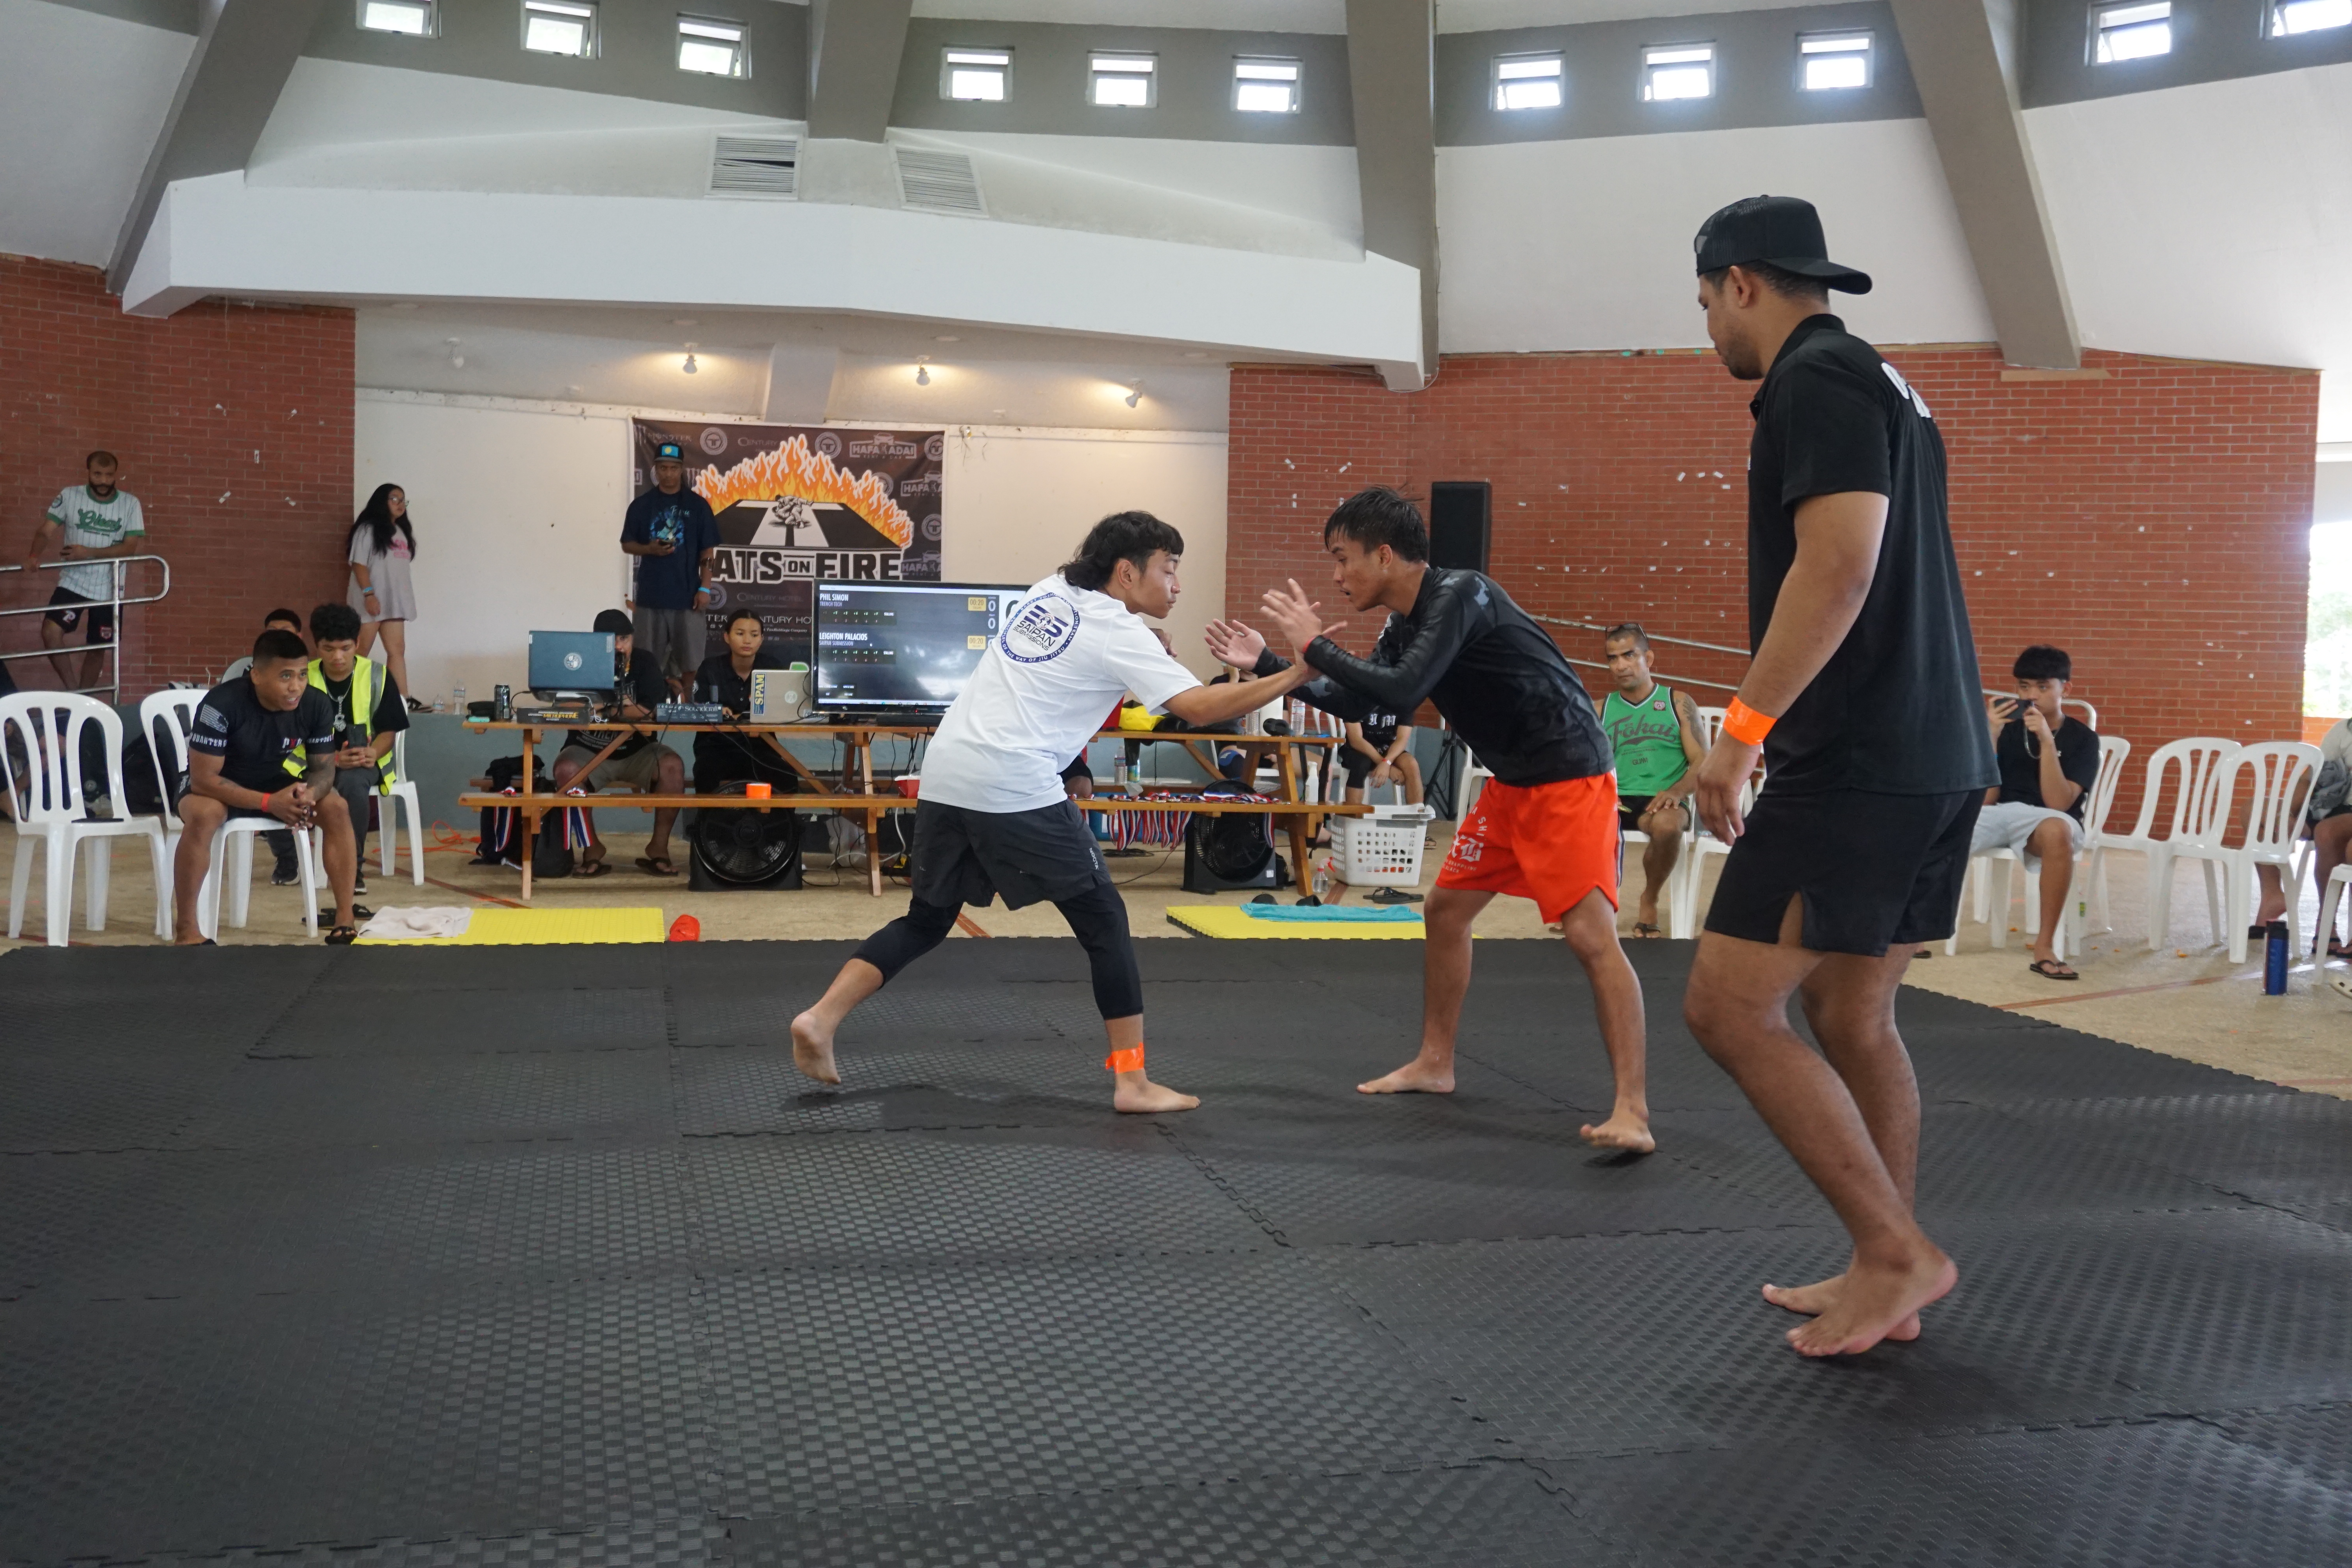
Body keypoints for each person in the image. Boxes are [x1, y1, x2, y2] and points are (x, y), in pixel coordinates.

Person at [1675, 195, 1996, 1357]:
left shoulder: (1813, 380)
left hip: (1858, 759)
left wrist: (1738, 731)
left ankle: (1896, 1252)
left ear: (1743, 283)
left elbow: (1842, 562)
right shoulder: (1889, 387)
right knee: (1849, 1008)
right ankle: (1886, 1261)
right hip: (1935, 753)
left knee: (1724, 1002)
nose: (1706, 322)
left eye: (1705, 300)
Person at [789, 510, 1317, 1114]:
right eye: (1169, 571)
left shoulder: (1052, 590)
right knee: (1104, 920)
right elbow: (1197, 708)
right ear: (1127, 571)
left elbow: (1071, 672)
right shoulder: (1120, 633)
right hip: (1012, 781)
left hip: (946, 770)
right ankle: (1133, 1082)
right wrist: (1295, 673)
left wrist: (1149, 645)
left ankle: (820, 1018)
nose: (1176, 586)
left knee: (928, 919)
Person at [1215, 487, 1653, 1153]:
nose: (1336, 577)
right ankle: (1436, 1063)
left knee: (1591, 937)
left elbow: (1401, 689)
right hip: (1512, 782)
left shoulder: (1463, 594)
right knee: (1445, 912)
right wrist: (1277, 665)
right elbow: (1375, 709)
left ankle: (1633, 1110)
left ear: (1385, 555)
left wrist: (1309, 644)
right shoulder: (1401, 624)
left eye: (1343, 559)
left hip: (1568, 773)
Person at [173, 628, 362, 944]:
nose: (296, 686)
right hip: (218, 785)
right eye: (285, 676)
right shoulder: (221, 703)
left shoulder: (315, 704)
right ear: (257, 675)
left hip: (275, 782)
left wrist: (308, 795)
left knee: (336, 806)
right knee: (205, 814)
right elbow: (204, 778)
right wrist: (267, 803)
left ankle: (345, 918)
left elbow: (324, 770)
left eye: (302, 675)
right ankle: (187, 929)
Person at [1975, 646, 2102, 981]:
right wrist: (1990, 737)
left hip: (2053, 818)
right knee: (1936, 823)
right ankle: (1908, 933)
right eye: (2024, 687)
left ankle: (2044, 946)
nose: (2032, 696)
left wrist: (2047, 741)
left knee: (2056, 830)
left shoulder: (2083, 739)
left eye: (2043, 688)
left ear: (2065, 689)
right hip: (2004, 812)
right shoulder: (2007, 731)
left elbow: (2058, 803)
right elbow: (1986, 801)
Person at [553, 608, 685, 876]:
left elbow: (654, 710)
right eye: (611, 640)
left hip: (638, 751)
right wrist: (619, 707)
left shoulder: (645, 661)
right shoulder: (580, 662)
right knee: (565, 771)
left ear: (633, 639)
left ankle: (658, 849)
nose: (618, 646)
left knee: (673, 766)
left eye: (624, 639)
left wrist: (604, 709)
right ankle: (592, 849)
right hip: (587, 750)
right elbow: (564, 705)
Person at [1601, 622, 1708, 938]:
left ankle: (1650, 897)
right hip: (1615, 800)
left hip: (1662, 799)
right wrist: (1600, 793)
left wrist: (1676, 791)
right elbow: (1584, 763)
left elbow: (1703, 761)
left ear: (1649, 658)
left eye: (1629, 655)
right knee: (1569, 818)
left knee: (1667, 826)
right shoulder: (1599, 709)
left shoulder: (1678, 703)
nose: (1620, 665)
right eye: (1613, 658)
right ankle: (1585, 904)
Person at [308, 603, 410, 891]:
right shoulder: (302, 678)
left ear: (358, 644)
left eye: (345, 648)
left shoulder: (377, 674)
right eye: (328, 649)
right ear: (316, 646)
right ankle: (290, 860)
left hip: (365, 763)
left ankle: (352, 869)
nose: (337, 657)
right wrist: (333, 760)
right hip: (314, 763)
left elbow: (389, 731)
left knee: (353, 785)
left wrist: (373, 752)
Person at [24, 451, 145, 691]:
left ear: (116, 475)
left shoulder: (130, 503)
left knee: (98, 646)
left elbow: (130, 549)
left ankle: (84, 699)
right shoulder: (69, 496)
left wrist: (87, 553)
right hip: (74, 581)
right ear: (88, 472)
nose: (103, 481)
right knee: (50, 631)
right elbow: (46, 530)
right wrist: (34, 556)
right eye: (97, 474)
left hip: (110, 587)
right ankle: (73, 692)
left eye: (109, 475)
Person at [221, 609, 310, 884]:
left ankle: (332, 875)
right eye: (272, 631)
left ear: (299, 636)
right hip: (248, 756)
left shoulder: (308, 682)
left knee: (300, 791)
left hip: (293, 760)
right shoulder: (239, 677)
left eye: (285, 631)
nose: (294, 685)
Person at [622, 441, 719, 690]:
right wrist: (649, 549)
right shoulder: (642, 505)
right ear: (655, 469)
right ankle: (648, 709)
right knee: (646, 661)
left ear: (682, 469)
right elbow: (627, 544)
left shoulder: (698, 506)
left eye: (673, 468)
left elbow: (707, 551)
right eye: (663, 468)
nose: (668, 474)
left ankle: (690, 709)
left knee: (691, 661)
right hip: (650, 599)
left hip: (688, 598)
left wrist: (706, 589)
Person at [2260, 715, 2352, 954]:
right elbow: (2310, 777)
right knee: (2262, 813)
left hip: (2345, 814)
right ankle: (2272, 895)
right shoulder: (2344, 729)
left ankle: (2326, 919)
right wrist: (2289, 813)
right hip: (2330, 804)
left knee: (2328, 832)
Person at [688, 607, 794, 793]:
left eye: (754, 635)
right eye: (740, 634)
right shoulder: (710, 668)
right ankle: (706, 823)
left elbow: (787, 710)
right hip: (716, 748)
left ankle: (780, 824)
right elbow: (697, 709)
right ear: (727, 637)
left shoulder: (773, 668)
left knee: (787, 777)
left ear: (761, 639)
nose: (747, 641)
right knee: (705, 773)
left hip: (760, 749)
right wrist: (715, 712)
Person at [347, 483, 419, 704]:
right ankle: (349, 697)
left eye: (403, 500)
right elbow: (358, 565)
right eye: (394, 499)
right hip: (370, 602)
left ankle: (402, 700)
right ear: (382, 501)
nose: (400, 504)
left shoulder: (402, 532)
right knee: (361, 652)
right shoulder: (367, 529)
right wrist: (369, 595)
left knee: (397, 651)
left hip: (394, 604)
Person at [1339, 709, 1423, 806]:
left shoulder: (1404, 703)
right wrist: (1385, 765)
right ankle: (1352, 817)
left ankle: (1417, 816)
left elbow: (1402, 740)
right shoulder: (1357, 700)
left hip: (1386, 748)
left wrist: (1387, 762)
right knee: (1361, 764)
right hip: (1359, 749)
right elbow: (1356, 740)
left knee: (1411, 764)